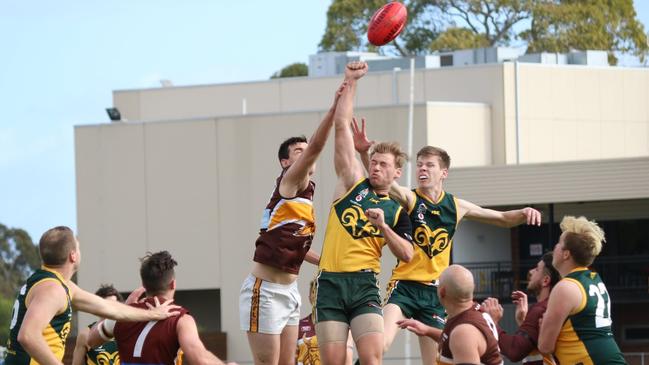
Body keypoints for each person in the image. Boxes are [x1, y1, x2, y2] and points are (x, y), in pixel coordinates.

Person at [351, 118, 542, 365]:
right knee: (381, 344)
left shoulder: (456, 206)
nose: (422, 169)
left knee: (437, 362)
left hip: (436, 293)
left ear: (444, 172)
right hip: (405, 287)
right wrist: (365, 153)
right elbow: (385, 181)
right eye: (419, 165)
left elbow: (503, 218)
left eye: (429, 165)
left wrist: (525, 211)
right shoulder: (410, 198)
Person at [240, 80, 347, 365]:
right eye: (298, 151)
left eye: (304, 149)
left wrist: (325, 261)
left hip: (289, 291)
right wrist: (336, 107)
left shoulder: (306, 193)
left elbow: (294, 246)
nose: (306, 151)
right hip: (264, 291)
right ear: (286, 163)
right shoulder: (289, 183)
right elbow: (316, 146)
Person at [315, 61, 414, 365]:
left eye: (384, 164)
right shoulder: (350, 184)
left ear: (397, 172)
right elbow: (341, 126)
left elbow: (408, 254)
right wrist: (352, 80)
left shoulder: (397, 212)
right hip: (330, 283)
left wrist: (384, 228)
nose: (375, 166)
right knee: (333, 361)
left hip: (363, 284)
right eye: (374, 161)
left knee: (372, 358)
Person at [4, 226, 178, 365]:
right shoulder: (52, 290)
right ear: (73, 255)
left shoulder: (58, 285)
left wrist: (148, 313)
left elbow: (107, 307)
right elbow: (27, 336)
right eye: (78, 247)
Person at [87, 251, 234, 365]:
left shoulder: (122, 317)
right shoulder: (180, 319)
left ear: (144, 285)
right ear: (173, 284)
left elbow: (91, 340)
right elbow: (199, 359)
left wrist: (124, 309)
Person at [538, 216, 626, 364]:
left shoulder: (565, 287)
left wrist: (544, 326)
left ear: (566, 254)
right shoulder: (594, 278)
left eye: (559, 243)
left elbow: (545, 346)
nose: (554, 247)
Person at [399, 265, 503, 365]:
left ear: (442, 291)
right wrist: (427, 330)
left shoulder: (463, 333)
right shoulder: (473, 313)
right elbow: (451, 338)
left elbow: (461, 338)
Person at [481, 252, 560, 365]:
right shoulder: (553, 306)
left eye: (537, 269)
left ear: (545, 281)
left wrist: (492, 322)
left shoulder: (540, 309)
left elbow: (514, 350)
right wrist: (523, 322)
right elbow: (538, 354)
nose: (531, 272)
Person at [296, 280, 353, 365]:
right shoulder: (297, 326)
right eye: (314, 292)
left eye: (322, 291)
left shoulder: (343, 327)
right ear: (309, 297)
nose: (317, 295)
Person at [71, 284, 125, 365]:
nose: (110, 308)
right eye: (106, 304)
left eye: (113, 304)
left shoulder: (127, 331)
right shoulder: (85, 334)